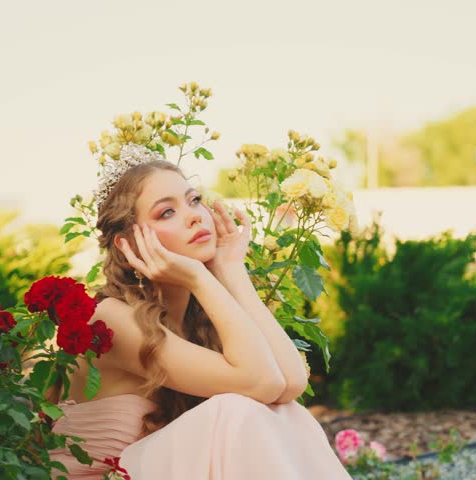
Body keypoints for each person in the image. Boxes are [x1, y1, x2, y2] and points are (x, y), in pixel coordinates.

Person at [48, 144, 351, 479]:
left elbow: (289, 383)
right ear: (129, 244)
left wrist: (231, 269)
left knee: (289, 413)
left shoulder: (198, 317)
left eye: (194, 200)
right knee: (234, 409)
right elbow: (263, 382)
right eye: (166, 212)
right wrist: (198, 276)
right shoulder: (110, 319)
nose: (195, 215)